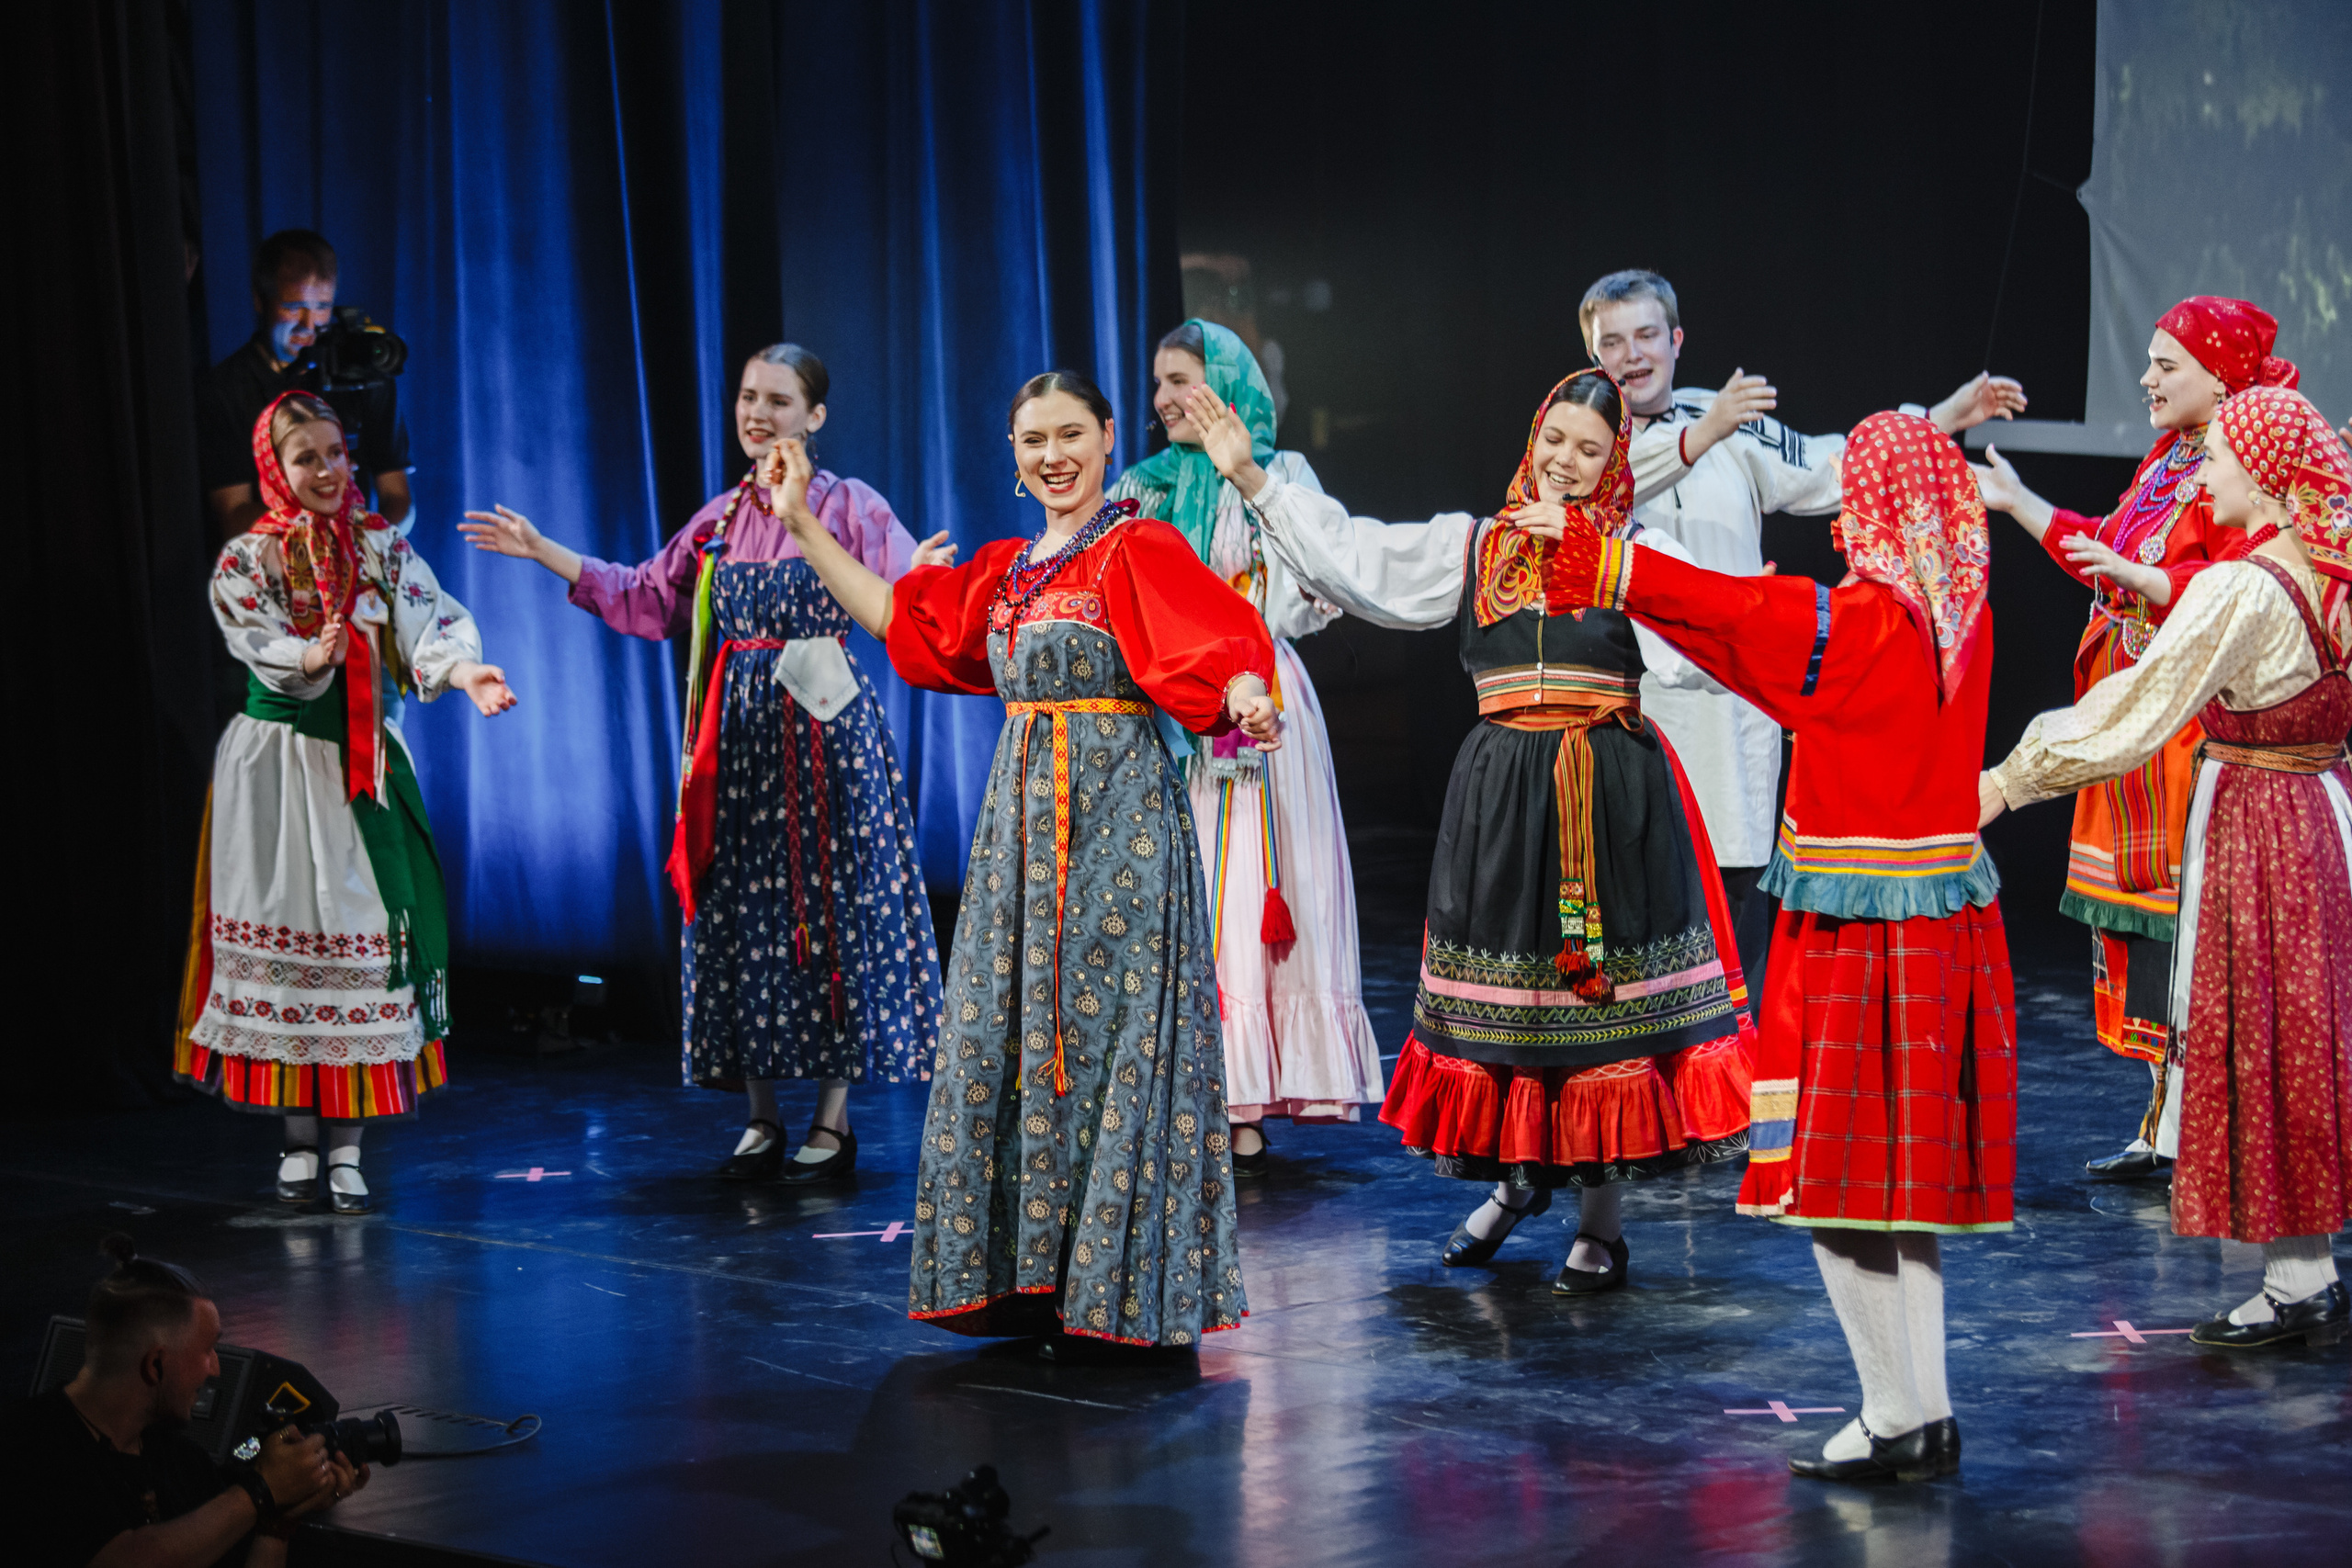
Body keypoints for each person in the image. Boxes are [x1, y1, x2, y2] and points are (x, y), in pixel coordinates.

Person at [1206, 368, 1756, 1296]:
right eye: (1556, 442)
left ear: (1616, 459)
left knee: (1599, 1013)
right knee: (1512, 1010)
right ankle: (1514, 1183)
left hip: (1607, 798)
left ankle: (1599, 1221)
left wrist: (1609, 559)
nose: (1568, 463)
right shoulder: (1476, 546)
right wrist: (1256, 483)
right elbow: (1358, 560)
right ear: (1531, 440)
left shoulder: (1636, 550)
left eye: (1590, 449)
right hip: (1502, 797)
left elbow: (1706, 648)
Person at [772, 368, 1280, 1348]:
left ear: (1105, 437)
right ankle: (1030, 1278)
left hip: (1121, 826)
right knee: (1014, 1040)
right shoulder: (1010, 572)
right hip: (1021, 838)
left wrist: (1249, 693)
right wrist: (800, 523)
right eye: (1033, 441)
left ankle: (1123, 1287)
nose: (1052, 457)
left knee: (1121, 1040)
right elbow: (900, 620)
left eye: (1069, 436)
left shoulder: (1137, 544)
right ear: (1013, 454)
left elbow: (1219, 637)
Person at [1554, 411, 2016, 1482]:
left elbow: (1747, 619)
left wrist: (1610, 560)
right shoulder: (1961, 615)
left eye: (1858, 491)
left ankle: (1895, 1414)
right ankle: (1923, 1407)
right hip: (1942, 924)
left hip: (1862, 935)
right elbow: (1772, 658)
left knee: (1838, 1185)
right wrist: (1742, 622)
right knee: (1905, 1191)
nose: (1847, 510)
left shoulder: (1860, 621)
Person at [460, 344, 949, 1182]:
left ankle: (832, 1119)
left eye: (781, 401)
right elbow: (648, 594)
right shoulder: (721, 520)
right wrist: (548, 552)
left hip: (828, 737)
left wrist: (930, 580)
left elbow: (906, 591)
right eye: (749, 397)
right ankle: (761, 1115)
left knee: (833, 917)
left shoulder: (848, 505)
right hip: (740, 742)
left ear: (815, 417)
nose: (759, 414)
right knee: (738, 916)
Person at [1983, 386, 2352, 1349]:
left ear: (2265, 478)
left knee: (2268, 1034)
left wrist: (2004, 785)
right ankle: (2301, 1269)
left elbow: (2130, 715)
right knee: (2300, 1033)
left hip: (2261, 822)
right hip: (2321, 813)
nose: (2206, 473)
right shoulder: (2332, 568)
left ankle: (2297, 1278)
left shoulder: (2246, 585)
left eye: (2221, 457)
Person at [1579, 268, 2026, 988]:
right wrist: (1699, 436)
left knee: (1736, 886)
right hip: (1634, 699)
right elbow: (1599, 493)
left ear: (1676, 339)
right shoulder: (1583, 432)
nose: (1632, 354)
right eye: (1612, 342)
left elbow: (1833, 466)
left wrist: (1939, 417)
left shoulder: (1724, 417)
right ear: (1592, 353)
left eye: (1646, 335)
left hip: (1732, 701)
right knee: (1640, 882)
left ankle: (1731, 1067)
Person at [1974, 297, 2298, 1179]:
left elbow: (2248, 583)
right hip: (2129, 722)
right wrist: (2018, 503)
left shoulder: (2249, 465)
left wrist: (2147, 578)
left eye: (2167, 364)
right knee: (2142, 928)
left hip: (2185, 722)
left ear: (2221, 376)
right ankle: (2166, 1117)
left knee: (2185, 923)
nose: (2147, 378)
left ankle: (2203, 1124)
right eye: (2149, 360)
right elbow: (2107, 551)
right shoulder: (2172, 458)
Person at [175, 393, 514, 1213]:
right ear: (274, 471)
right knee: (293, 934)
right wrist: (309, 652)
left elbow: (427, 619)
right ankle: (296, 1138)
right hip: (279, 771)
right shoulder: (247, 559)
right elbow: (252, 638)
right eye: (306, 459)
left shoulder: (378, 546)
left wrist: (466, 673)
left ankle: (350, 1147)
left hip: (359, 770)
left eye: (336, 454)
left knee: (362, 939)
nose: (327, 471)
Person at [1102, 320, 1384, 1171]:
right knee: (1188, 893)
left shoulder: (1282, 476)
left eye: (1180, 379)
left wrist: (1245, 481)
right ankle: (1193, 1089)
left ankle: (1249, 1095)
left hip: (1262, 700)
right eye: (1155, 384)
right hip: (1170, 709)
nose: (1162, 401)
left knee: (1253, 897)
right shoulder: (1139, 492)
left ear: (1226, 382)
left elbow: (1320, 587)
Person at [5, 1236, 363, 1566]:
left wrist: (277, 1523)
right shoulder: (30, 1448)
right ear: (156, 1364)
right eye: (208, 1350)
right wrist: (260, 1490)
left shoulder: (182, 1463)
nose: (217, 1368)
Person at [196, 230, 412, 539]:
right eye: (294, 307)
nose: (309, 326)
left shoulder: (365, 375)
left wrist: (376, 545)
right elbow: (233, 514)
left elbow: (398, 495)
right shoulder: (223, 389)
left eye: (322, 307)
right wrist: (322, 526)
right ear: (260, 300)